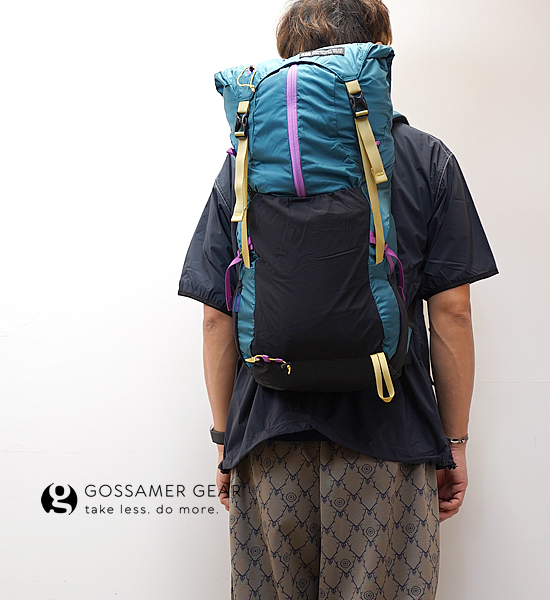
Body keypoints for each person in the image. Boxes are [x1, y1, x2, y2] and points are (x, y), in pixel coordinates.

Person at [178, 1, 498, 598]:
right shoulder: (426, 158)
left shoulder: (243, 166)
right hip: (390, 439)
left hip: (267, 438)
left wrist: (226, 442)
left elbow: (216, 319)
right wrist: (453, 443)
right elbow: (453, 312)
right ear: (377, 55)